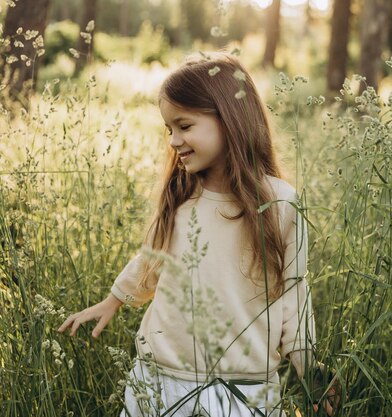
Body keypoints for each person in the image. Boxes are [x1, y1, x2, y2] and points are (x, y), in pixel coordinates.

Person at [58, 53, 335, 416]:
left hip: (243, 389)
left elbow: (295, 293)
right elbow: (152, 260)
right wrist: (114, 299)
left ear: (229, 119)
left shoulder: (281, 204)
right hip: (160, 379)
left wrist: (308, 369)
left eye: (184, 126)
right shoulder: (180, 198)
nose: (173, 140)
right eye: (168, 129)